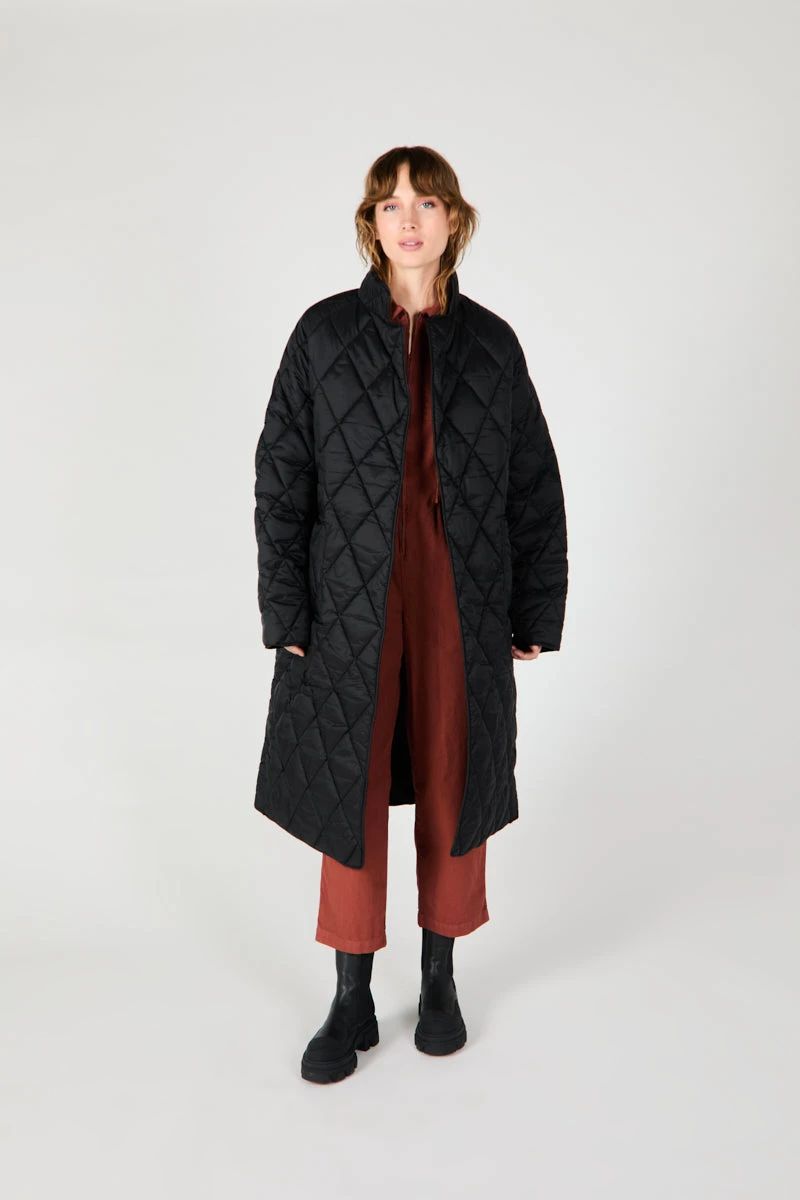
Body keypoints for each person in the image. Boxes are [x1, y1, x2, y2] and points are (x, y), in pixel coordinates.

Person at [253, 145, 569, 1084]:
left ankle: (440, 980)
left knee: (452, 771)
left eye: (426, 202)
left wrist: (535, 605)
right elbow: (282, 479)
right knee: (348, 783)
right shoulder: (322, 336)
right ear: (371, 223)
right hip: (349, 591)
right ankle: (350, 994)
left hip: (459, 589)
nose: (408, 219)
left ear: (452, 220)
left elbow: (533, 483)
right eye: (390, 204)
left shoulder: (493, 345)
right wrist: (286, 607)